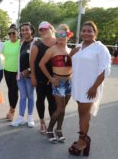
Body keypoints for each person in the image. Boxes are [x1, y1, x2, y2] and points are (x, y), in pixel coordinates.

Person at [68, 21, 111, 156]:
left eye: (89, 31)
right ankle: (85, 139)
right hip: (78, 86)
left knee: (84, 115)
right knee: (82, 114)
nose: (86, 33)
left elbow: (105, 69)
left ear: (95, 33)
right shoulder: (79, 47)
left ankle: (82, 142)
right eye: (84, 31)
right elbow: (69, 58)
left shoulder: (100, 48)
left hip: (89, 88)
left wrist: (94, 87)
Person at [39, 24, 73, 142]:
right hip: (58, 83)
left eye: (63, 34)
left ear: (68, 36)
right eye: (58, 34)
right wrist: (51, 78)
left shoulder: (70, 51)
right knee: (59, 109)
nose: (60, 37)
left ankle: (59, 130)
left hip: (69, 83)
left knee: (63, 109)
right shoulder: (52, 50)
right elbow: (41, 64)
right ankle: (49, 129)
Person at [30, 21, 57, 134]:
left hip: (56, 79)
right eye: (41, 30)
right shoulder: (37, 45)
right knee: (40, 100)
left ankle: (51, 124)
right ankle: (42, 122)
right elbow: (32, 62)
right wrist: (33, 77)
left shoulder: (59, 43)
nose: (43, 31)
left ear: (51, 28)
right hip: (41, 78)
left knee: (53, 102)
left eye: (45, 28)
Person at [11, 22, 36, 127]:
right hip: (20, 75)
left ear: (31, 30)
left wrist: (29, 70)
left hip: (30, 75)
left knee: (30, 96)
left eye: (27, 29)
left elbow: (37, 61)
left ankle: (30, 118)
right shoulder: (21, 43)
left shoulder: (35, 43)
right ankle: (21, 118)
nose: (24, 31)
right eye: (22, 30)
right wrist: (20, 72)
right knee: (22, 96)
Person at [3, 26, 20, 121]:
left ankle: (12, 111)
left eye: (13, 33)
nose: (11, 35)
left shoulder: (20, 43)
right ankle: (11, 108)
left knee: (14, 91)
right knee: (10, 91)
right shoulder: (5, 43)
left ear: (17, 33)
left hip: (17, 72)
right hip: (7, 70)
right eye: (9, 33)